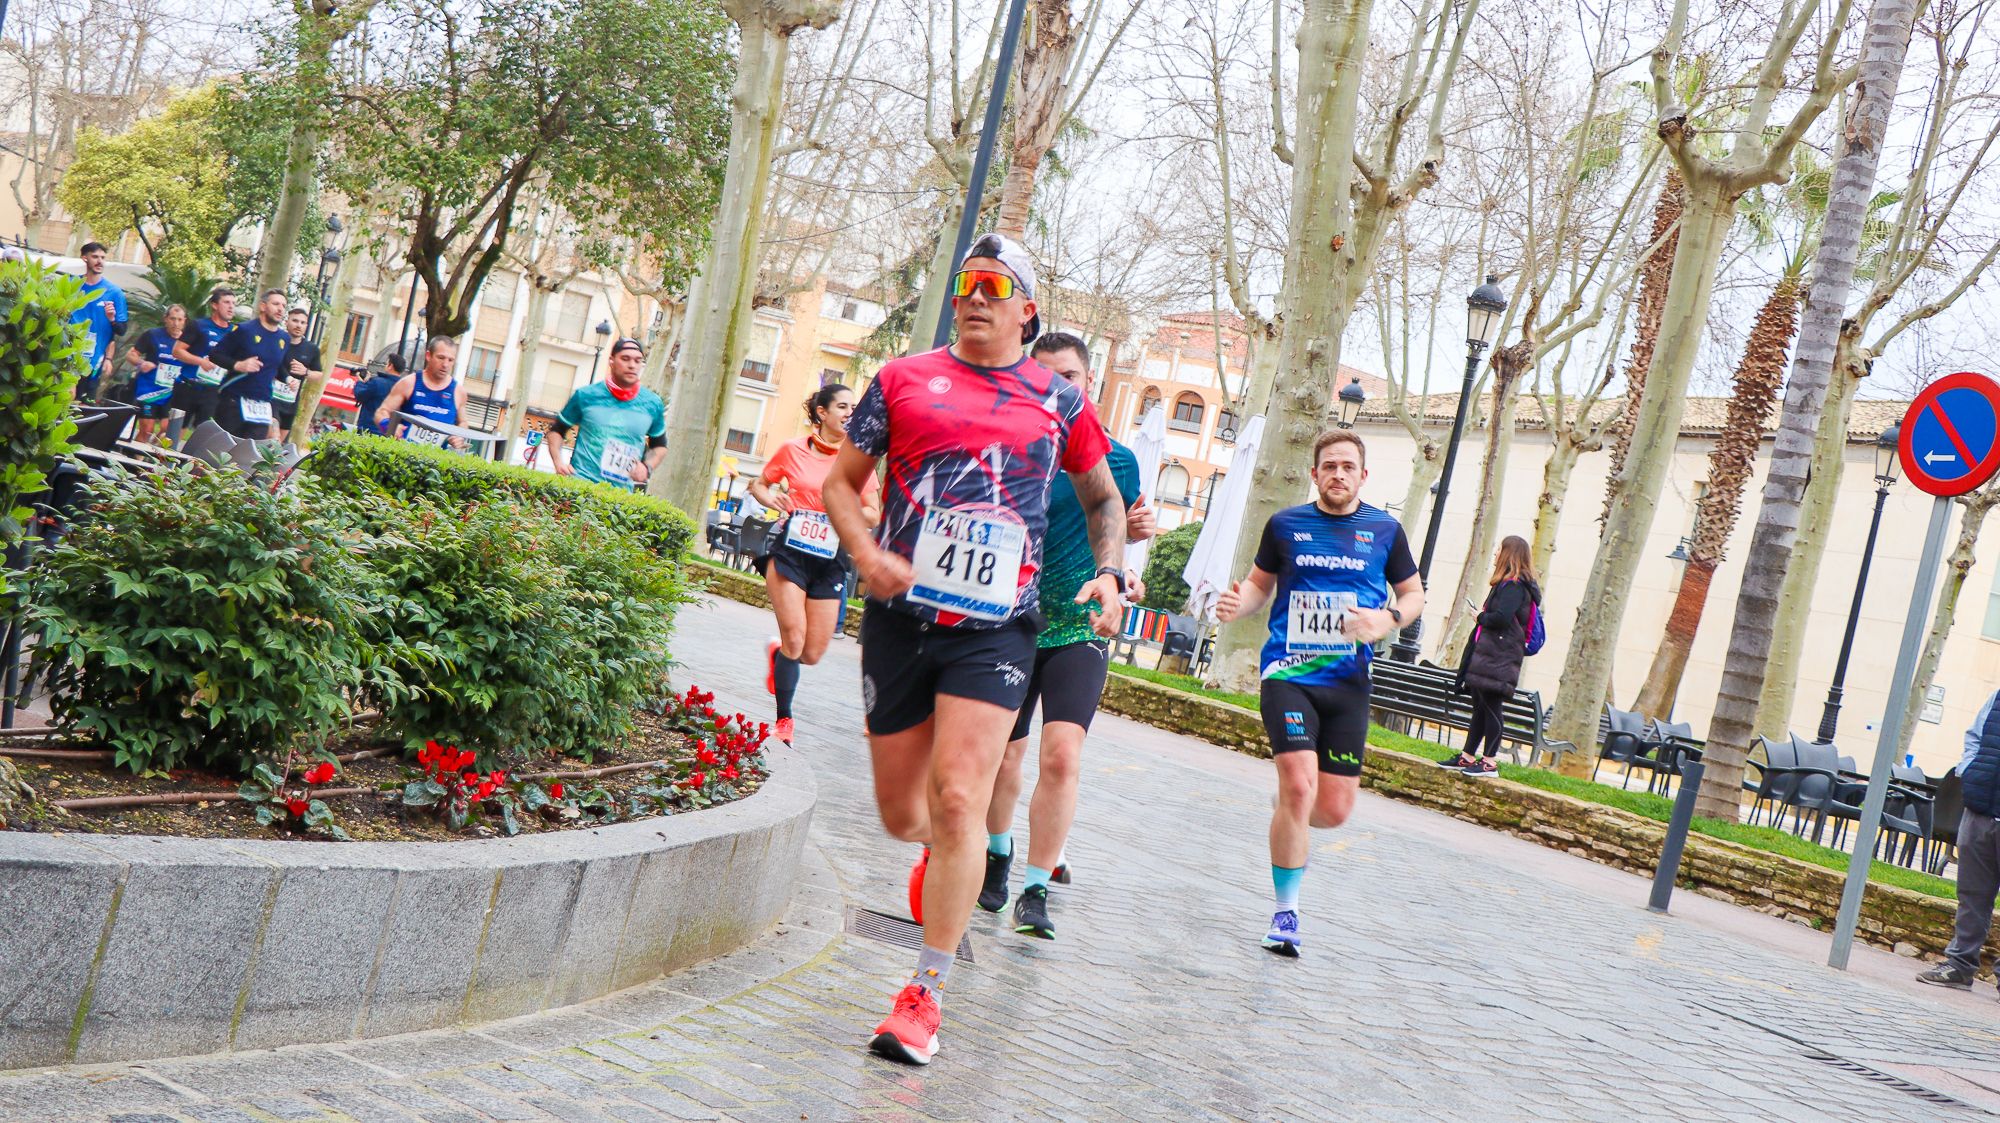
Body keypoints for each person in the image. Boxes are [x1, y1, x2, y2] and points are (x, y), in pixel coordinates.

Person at [821, 232, 1127, 1066]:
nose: (976, 295)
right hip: (900, 617)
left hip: (999, 628)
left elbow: (1103, 496)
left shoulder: (1057, 400)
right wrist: (865, 553)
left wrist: (1108, 573)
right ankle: (937, 849)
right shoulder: (901, 379)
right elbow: (839, 485)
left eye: (995, 285)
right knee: (904, 811)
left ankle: (924, 991)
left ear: (1028, 310)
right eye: (966, 283)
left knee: (962, 797)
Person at [1214, 429, 1423, 958]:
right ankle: (1286, 914)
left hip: (1349, 684)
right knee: (1300, 785)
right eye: (1329, 466)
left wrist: (1387, 618)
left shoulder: (1385, 530)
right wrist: (1238, 605)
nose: (1338, 474)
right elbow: (1260, 585)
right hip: (1288, 673)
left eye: (1348, 467)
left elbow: (1413, 594)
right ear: (1314, 474)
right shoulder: (1285, 525)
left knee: (1331, 811)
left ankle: (1289, 809)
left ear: (1363, 475)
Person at [979, 330, 1155, 940]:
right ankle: (997, 853)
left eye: (1070, 379)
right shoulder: (1006, 446)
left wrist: (1128, 554)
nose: (1057, 388)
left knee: (1062, 755)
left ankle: (1034, 888)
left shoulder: (1120, 459)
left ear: (1088, 384)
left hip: (1079, 624)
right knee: (1004, 755)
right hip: (1010, 618)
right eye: (1045, 375)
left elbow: (1112, 530)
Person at [749, 384, 882, 747]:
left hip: (831, 559)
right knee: (795, 637)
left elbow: (873, 512)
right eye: (842, 406)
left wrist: (844, 509)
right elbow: (759, 484)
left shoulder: (858, 459)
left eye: (854, 407)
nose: (850, 412)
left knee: (811, 652)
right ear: (822, 412)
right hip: (790, 552)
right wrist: (771, 497)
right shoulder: (792, 450)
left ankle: (778, 657)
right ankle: (784, 721)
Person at [1917, 693, 2000, 992]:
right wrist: (1969, 771)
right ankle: (1959, 966)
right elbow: (1975, 736)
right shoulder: (1997, 696)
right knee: (1972, 895)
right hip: (1980, 811)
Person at [1444, 536, 1542, 777]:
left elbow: (1501, 618)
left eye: (1499, 549)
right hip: (1490, 655)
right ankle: (1468, 757)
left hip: (1499, 657)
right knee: (1480, 705)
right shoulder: (1506, 585)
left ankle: (1489, 762)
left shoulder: (1515, 586)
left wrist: (1479, 616)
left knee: (1491, 706)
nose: (1495, 553)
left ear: (1509, 554)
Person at [545, 338, 666, 489]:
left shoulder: (652, 403)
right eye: (625, 359)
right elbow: (556, 431)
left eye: (637, 360)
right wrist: (558, 462)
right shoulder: (586, 395)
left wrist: (647, 467)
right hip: (580, 486)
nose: (632, 365)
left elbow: (660, 445)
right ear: (611, 361)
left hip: (621, 497)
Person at [205, 288, 292, 441]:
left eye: (283, 306)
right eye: (276, 304)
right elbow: (215, 355)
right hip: (234, 400)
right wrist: (238, 365)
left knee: (250, 455)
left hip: (262, 404)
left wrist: (288, 379)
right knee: (224, 450)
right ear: (263, 306)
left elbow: (276, 366)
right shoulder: (245, 330)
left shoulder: (284, 338)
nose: (280, 309)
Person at [373, 336, 468, 450]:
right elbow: (381, 412)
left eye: (450, 360)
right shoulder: (409, 383)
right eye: (441, 358)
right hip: (404, 455)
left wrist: (459, 436)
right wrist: (389, 426)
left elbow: (463, 422)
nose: (445, 364)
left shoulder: (458, 391)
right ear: (428, 356)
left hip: (435, 461)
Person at [170, 288, 238, 437]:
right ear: (214, 305)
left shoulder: (236, 332)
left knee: (204, 436)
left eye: (234, 303)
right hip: (187, 386)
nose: (231, 306)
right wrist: (200, 361)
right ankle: (160, 457)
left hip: (212, 392)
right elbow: (177, 351)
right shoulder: (199, 325)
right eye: (226, 302)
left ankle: (192, 461)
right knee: (175, 434)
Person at [68, 242, 127, 401]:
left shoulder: (114, 293)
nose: (100, 261)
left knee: (83, 405)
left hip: (94, 359)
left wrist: (112, 319)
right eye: (95, 256)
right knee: (67, 397)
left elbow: (122, 330)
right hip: (68, 354)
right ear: (84, 258)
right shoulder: (71, 285)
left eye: (103, 257)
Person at [126, 304, 188, 444]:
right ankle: (133, 456)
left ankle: (150, 458)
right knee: (147, 430)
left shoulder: (188, 341)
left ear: (185, 321)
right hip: (149, 390)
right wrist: (141, 363)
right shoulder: (153, 335)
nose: (175, 323)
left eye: (179, 319)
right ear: (165, 319)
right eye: (172, 319)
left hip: (171, 392)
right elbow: (130, 355)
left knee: (168, 431)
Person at [275, 308, 323, 442]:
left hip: (291, 401)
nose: (298, 325)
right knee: (272, 435)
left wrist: (306, 372)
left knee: (278, 443)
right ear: (287, 322)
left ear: (306, 326)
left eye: (302, 322)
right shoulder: (277, 340)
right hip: (270, 398)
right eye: (295, 321)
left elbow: (319, 375)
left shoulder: (312, 349)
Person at [351, 352, 405, 436]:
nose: (385, 366)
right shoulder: (404, 388)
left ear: (390, 366)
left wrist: (360, 383)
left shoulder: (377, 382)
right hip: (389, 433)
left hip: (368, 429)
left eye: (386, 363)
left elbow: (360, 395)